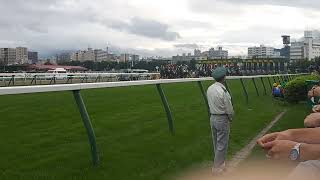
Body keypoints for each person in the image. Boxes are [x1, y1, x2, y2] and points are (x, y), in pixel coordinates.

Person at [207, 67, 234, 175]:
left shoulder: (210, 88)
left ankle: (221, 164)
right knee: (222, 144)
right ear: (223, 77)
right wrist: (231, 117)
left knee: (216, 143)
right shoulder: (223, 90)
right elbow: (229, 108)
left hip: (212, 117)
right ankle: (216, 168)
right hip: (222, 118)